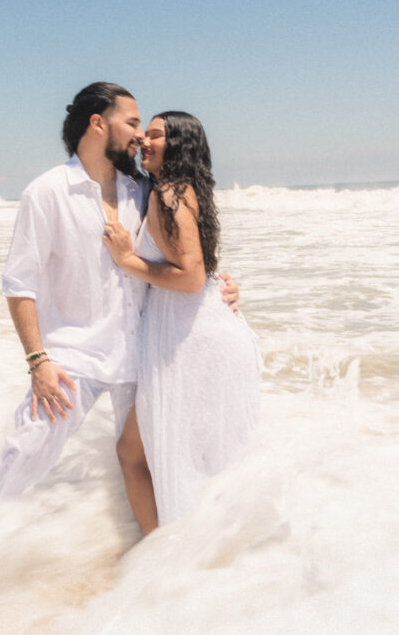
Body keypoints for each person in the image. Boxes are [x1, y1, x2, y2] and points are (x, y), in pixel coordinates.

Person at [0, 84, 238, 508]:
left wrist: (219, 287)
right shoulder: (46, 192)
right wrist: (37, 360)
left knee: (156, 462)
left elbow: (182, 254)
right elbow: (19, 283)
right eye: (133, 123)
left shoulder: (141, 189)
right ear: (99, 123)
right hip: (73, 355)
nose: (140, 136)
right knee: (26, 449)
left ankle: (157, 556)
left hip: (141, 353)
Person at [102, 111, 261, 530]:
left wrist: (126, 260)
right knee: (205, 462)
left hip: (191, 341)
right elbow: (199, 272)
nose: (145, 142)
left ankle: (162, 567)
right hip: (198, 334)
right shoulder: (185, 192)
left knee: (134, 455)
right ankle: (197, 564)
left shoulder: (168, 194)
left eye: (155, 135)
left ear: (178, 145)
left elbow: (190, 279)